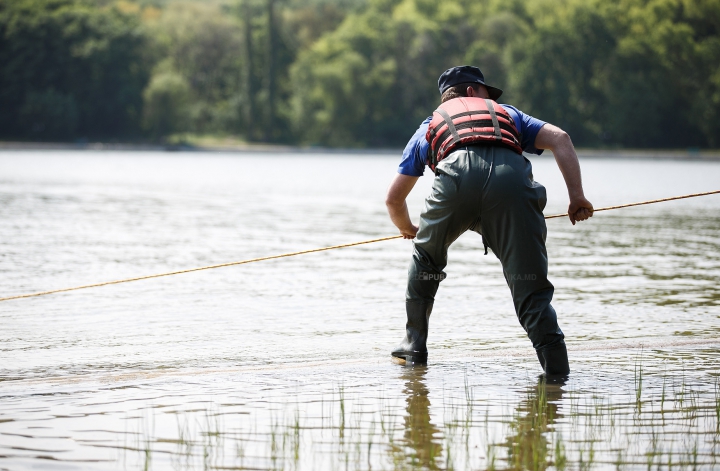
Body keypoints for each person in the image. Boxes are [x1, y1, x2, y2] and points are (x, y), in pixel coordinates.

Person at [386, 65, 593, 376]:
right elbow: (560, 139)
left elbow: (394, 199)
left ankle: (414, 346)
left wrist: (408, 229)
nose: (490, 99)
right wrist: (576, 197)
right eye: (486, 93)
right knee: (530, 287)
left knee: (426, 262)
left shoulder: (430, 125)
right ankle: (556, 376)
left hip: (455, 185)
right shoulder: (507, 114)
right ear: (472, 91)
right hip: (511, 189)